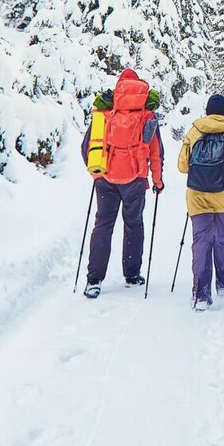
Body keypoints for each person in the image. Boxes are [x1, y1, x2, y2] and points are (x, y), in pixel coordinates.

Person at [81, 69, 164, 298]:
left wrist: (97, 172)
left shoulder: (105, 111)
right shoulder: (147, 115)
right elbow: (156, 152)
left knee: (103, 226)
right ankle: (132, 273)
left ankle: (94, 280)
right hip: (135, 180)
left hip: (106, 178)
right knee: (134, 224)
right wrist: (157, 181)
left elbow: (87, 145)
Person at [176, 93, 224, 311]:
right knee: (223, 239)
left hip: (197, 196)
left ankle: (201, 295)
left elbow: (182, 166)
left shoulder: (194, 131)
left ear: (207, 111)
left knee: (201, 243)